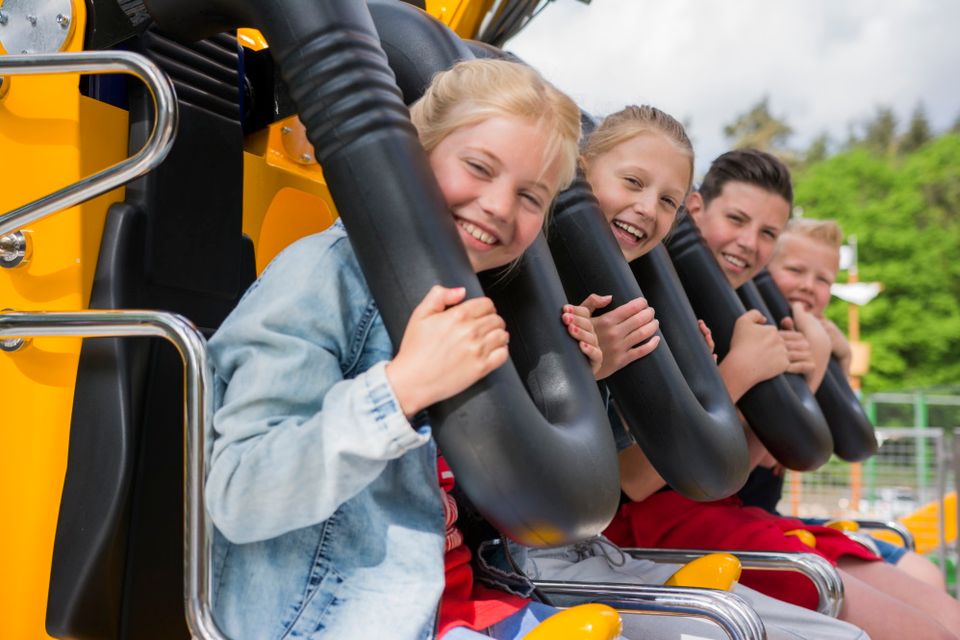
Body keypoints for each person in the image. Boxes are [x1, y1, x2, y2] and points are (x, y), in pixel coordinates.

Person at [203, 59, 616, 640]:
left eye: (531, 196)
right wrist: (402, 390)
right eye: (478, 167)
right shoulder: (322, 278)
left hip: (450, 604)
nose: (499, 206)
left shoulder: (465, 301)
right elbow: (240, 493)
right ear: (414, 154)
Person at [523, 106, 872, 640]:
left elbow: (752, 463)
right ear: (582, 169)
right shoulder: (544, 282)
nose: (646, 207)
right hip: (606, 533)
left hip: (606, 541)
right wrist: (734, 374)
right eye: (633, 182)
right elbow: (631, 482)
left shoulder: (657, 306)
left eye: (665, 200)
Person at [603, 149, 960, 639]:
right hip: (659, 524)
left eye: (768, 233)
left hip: (725, 513)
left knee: (941, 613)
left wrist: (806, 371)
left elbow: (744, 464)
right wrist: (744, 369)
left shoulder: (733, 310)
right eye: (736, 219)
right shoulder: (654, 297)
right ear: (698, 210)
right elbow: (641, 480)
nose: (748, 242)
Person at [759, 218, 948, 592]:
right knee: (919, 583)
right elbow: (780, 453)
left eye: (823, 280)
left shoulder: (816, 337)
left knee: (927, 574)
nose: (808, 287)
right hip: (740, 519)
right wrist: (815, 351)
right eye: (795, 270)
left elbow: (841, 443)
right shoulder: (762, 341)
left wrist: (839, 364)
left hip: (767, 514)